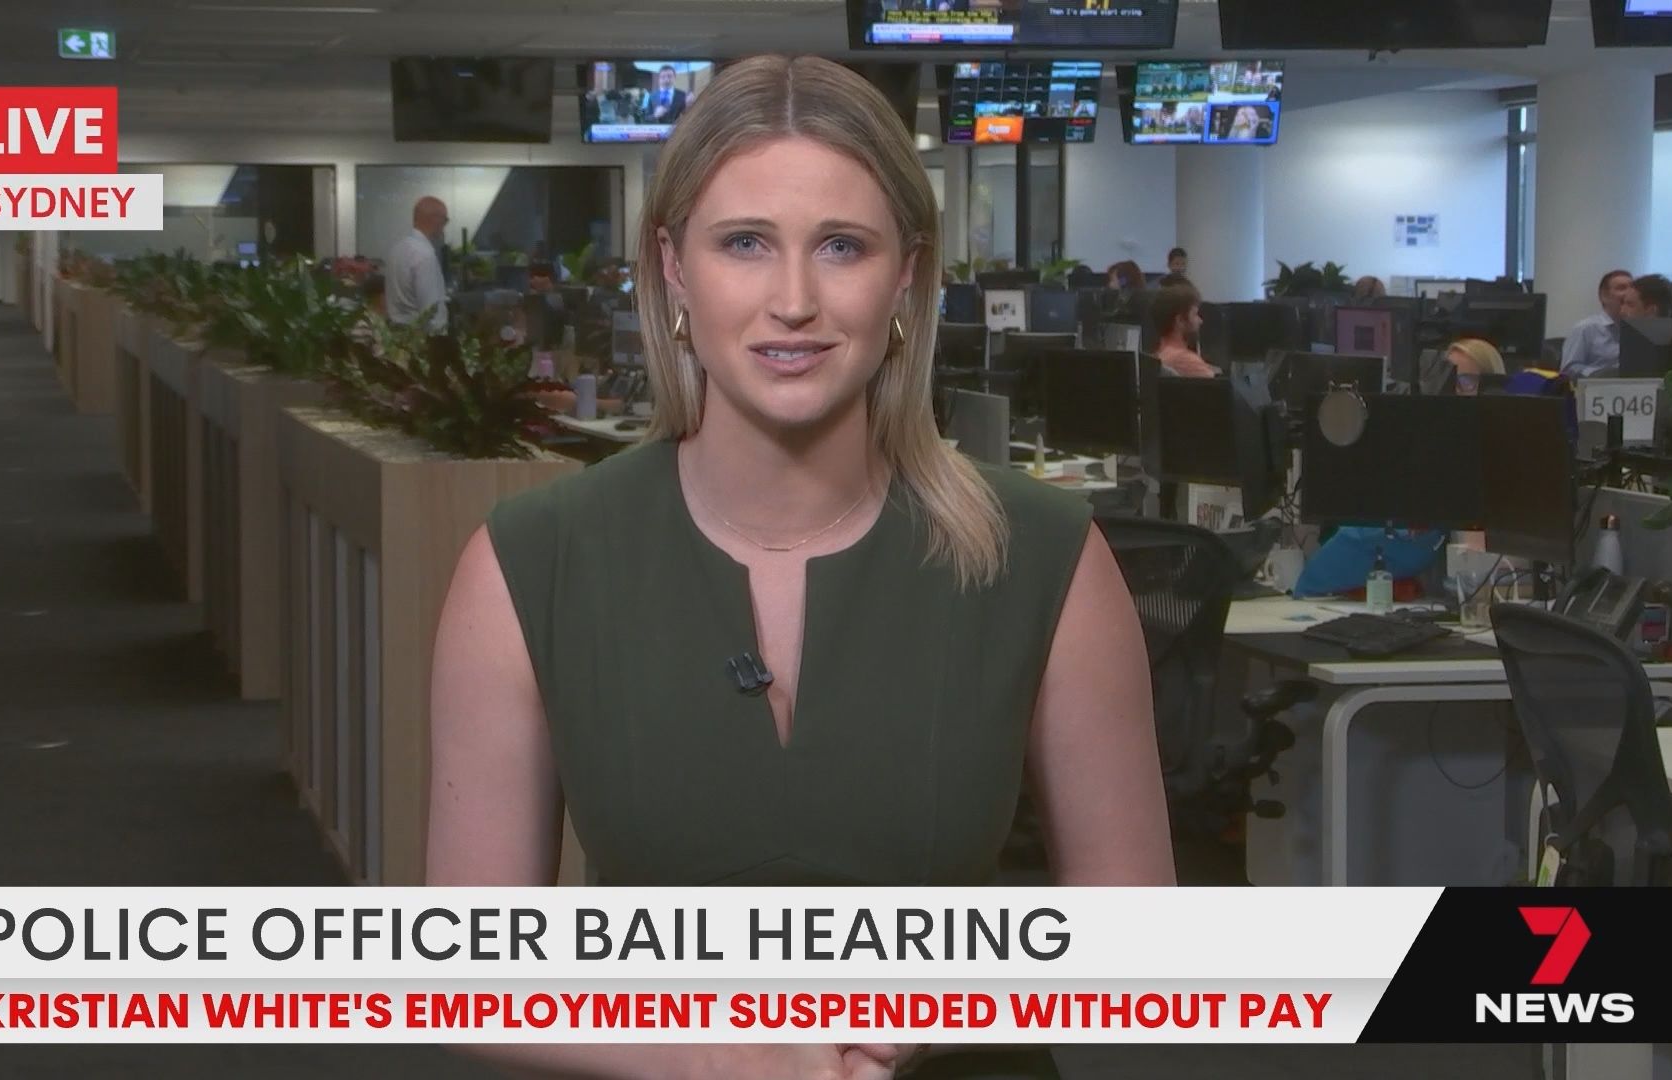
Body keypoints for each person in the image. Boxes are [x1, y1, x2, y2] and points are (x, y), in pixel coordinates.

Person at [425, 54, 1173, 1080]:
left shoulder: (1044, 554)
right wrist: (715, 1056)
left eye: (841, 246)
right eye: (744, 243)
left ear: (904, 274)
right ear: (674, 267)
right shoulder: (530, 563)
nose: (793, 300)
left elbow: (1135, 930)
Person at [383, 196, 450, 334]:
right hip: (420, 338)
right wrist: (441, 340)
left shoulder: (397, 249)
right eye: (445, 220)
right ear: (436, 220)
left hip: (397, 334)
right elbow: (431, 313)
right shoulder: (425, 255)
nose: (444, 227)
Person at [1558, 269, 1634, 379]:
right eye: (1621, 288)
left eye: (1631, 288)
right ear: (1604, 296)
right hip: (1595, 387)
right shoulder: (1585, 328)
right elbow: (1568, 369)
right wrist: (1602, 374)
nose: (1628, 293)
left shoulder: (1637, 329)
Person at [1148, 280, 1214, 378]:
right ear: (1180, 321)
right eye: (1195, 314)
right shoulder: (1186, 361)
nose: (1200, 321)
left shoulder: (1157, 357)